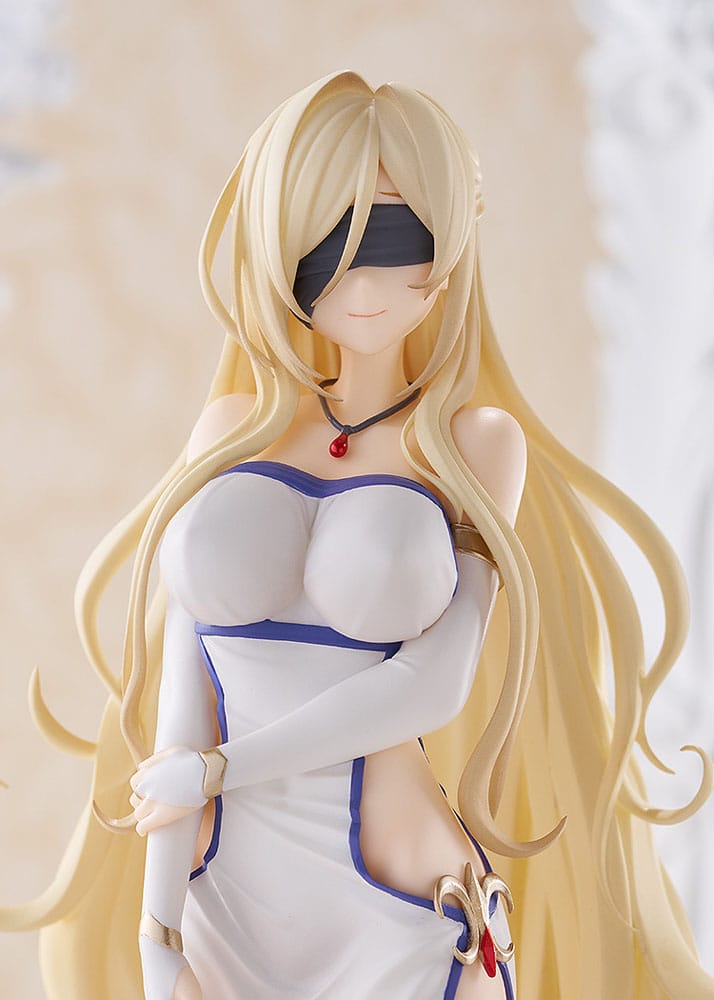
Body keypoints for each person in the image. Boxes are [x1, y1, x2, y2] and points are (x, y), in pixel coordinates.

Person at [1, 71, 712, 1000]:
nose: (357, 280)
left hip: (400, 908)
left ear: (448, 248)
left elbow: (432, 683)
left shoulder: (475, 445)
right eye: (322, 244)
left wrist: (218, 770)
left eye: (391, 238)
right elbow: (185, 693)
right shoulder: (231, 429)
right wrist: (158, 929)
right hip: (222, 903)